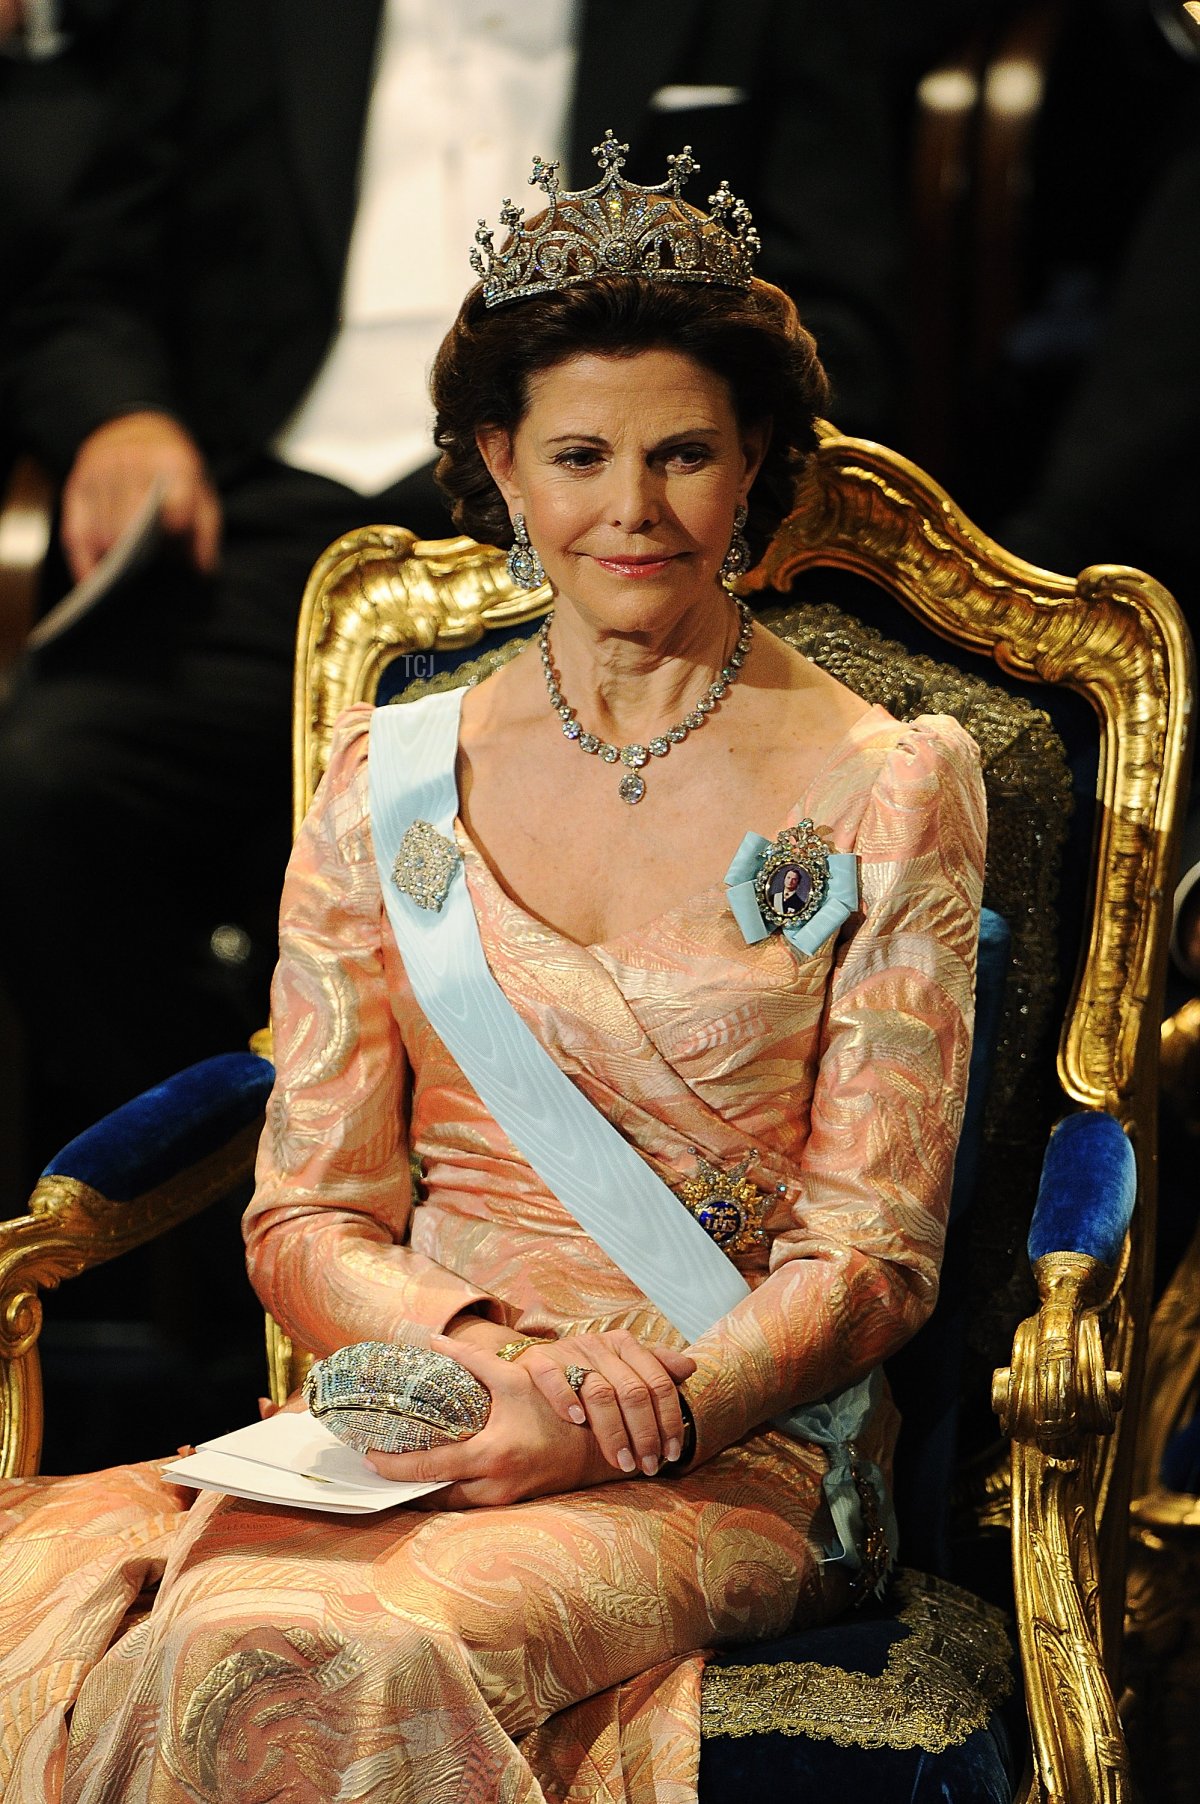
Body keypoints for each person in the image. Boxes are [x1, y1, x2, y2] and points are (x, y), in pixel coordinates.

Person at [0, 148, 985, 1802]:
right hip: (419, 1416)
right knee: (129, 1623)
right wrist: (486, 1372)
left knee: (289, 1649)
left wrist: (618, 1410)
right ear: (498, 469)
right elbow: (306, 1213)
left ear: (756, 465)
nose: (636, 509)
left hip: (730, 1450)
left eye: (685, 454)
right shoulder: (383, 772)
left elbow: (875, 1256)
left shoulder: (894, 775)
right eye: (582, 456)